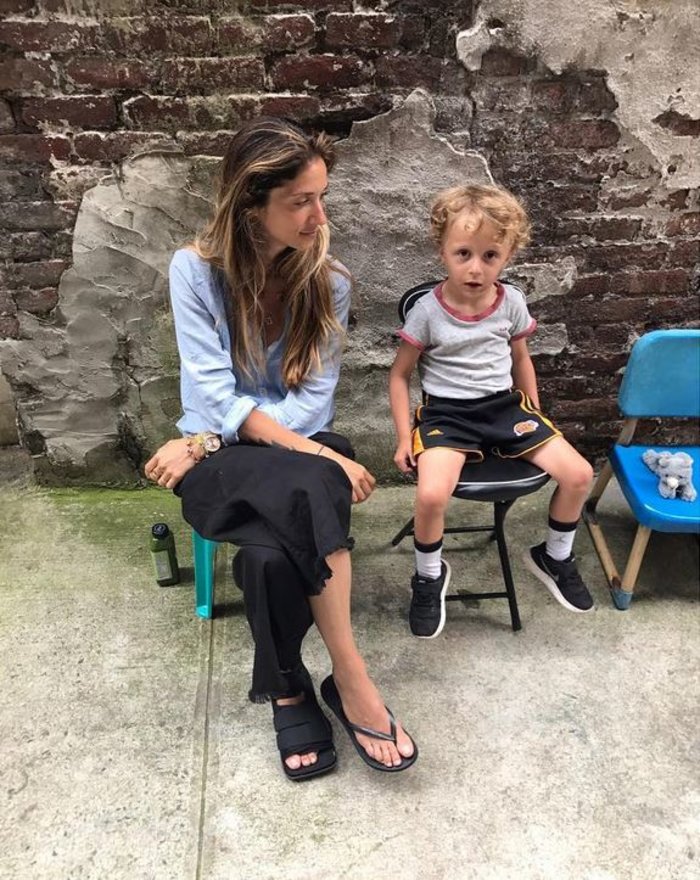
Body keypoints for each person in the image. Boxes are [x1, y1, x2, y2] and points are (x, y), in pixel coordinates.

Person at [144, 117, 416, 778]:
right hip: (224, 459)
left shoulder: (330, 281)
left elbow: (313, 402)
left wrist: (221, 440)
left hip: (260, 445)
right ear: (251, 205)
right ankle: (350, 678)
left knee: (268, 558)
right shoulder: (194, 272)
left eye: (322, 197)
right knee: (316, 481)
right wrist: (305, 453)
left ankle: (289, 689)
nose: (319, 217)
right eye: (301, 201)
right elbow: (213, 392)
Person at [389, 183, 595, 639]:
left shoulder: (512, 302)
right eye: (463, 253)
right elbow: (399, 375)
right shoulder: (427, 311)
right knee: (431, 496)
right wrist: (404, 437)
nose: (475, 268)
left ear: (508, 255)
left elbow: (521, 359)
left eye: (490, 255)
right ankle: (429, 576)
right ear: (442, 251)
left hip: (504, 409)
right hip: (447, 416)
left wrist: (536, 414)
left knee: (580, 474)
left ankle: (554, 556)